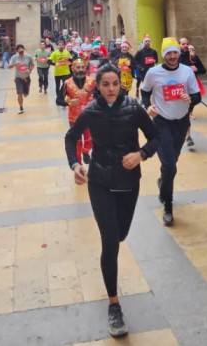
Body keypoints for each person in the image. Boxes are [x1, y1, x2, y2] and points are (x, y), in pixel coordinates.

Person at [65, 64, 158, 338]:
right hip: (100, 181)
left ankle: (112, 253)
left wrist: (141, 154)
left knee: (120, 235)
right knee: (109, 241)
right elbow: (71, 138)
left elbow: (155, 137)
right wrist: (75, 164)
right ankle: (114, 305)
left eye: (115, 83)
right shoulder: (91, 111)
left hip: (129, 180)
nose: (110, 89)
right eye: (105, 84)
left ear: (121, 84)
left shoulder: (134, 108)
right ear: (98, 86)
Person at [140, 38, 201, 226]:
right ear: (163, 54)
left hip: (181, 123)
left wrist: (189, 98)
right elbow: (145, 93)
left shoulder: (186, 72)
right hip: (161, 123)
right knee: (169, 166)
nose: (173, 56)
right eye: (169, 53)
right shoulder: (153, 72)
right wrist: (148, 107)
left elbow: (197, 96)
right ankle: (167, 203)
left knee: (171, 163)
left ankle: (163, 182)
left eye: (175, 52)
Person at [64, 59, 95, 128]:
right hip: (74, 118)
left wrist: (94, 98)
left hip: (90, 116)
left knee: (91, 138)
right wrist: (69, 102)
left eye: (83, 67)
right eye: (78, 67)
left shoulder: (92, 81)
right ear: (73, 68)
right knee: (76, 137)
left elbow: (101, 96)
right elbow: (59, 100)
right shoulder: (67, 83)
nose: (81, 70)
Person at [9, 44, 34, 114]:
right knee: (19, 93)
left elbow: (32, 64)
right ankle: (21, 107)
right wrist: (14, 64)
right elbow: (9, 66)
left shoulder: (28, 57)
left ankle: (26, 91)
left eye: (21, 48)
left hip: (26, 77)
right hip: (18, 78)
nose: (20, 50)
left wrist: (30, 70)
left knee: (26, 93)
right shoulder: (14, 58)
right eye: (19, 49)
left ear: (24, 49)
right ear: (17, 51)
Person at [49, 43, 73, 107]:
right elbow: (49, 61)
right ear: (57, 46)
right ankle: (58, 98)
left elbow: (71, 60)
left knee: (65, 86)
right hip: (57, 73)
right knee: (58, 86)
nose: (61, 46)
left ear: (64, 46)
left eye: (62, 45)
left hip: (66, 72)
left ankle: (64, 99)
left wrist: (69, 60)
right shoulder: (54, 53)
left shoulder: (67, 52)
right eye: (59, 45)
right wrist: (54, 64)